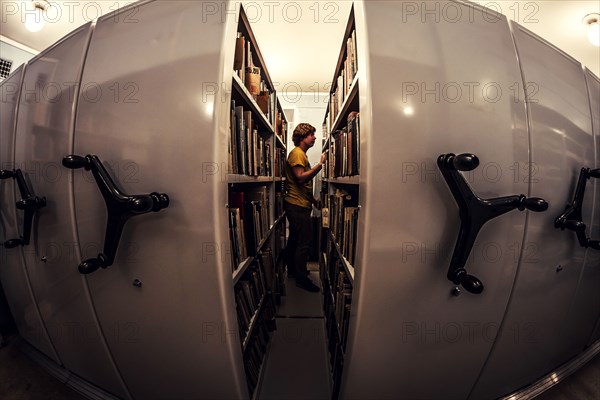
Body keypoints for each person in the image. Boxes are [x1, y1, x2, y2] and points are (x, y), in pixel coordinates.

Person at [284, 123, 326, 293]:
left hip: (300, 203)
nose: (314, 137)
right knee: (304, 242)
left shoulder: (300, 154)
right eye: (311, 135)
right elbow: (300, 178)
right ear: (303, 137)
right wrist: (320, 165)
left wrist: (313, 200)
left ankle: (294, 271)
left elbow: (301, 185)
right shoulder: (297, 154)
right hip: (297, 205)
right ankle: (302, 279)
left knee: (295, 238)